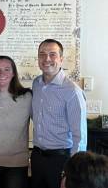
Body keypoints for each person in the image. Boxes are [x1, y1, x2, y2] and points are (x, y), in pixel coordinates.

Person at [31, 39, 87, 188]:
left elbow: (80, 137)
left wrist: (72, 172)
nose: (47, 59)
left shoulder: (72, 91)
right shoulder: (36, 84)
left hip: (61, 160)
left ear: (61, 59)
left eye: (52, 54)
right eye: (42, 54)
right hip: (37, 157)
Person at [0, 56, 32, 188]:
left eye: (6, 69)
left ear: (13, 73)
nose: (2, 73)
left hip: (17, 165)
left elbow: (41, 124)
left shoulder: (27, 97)